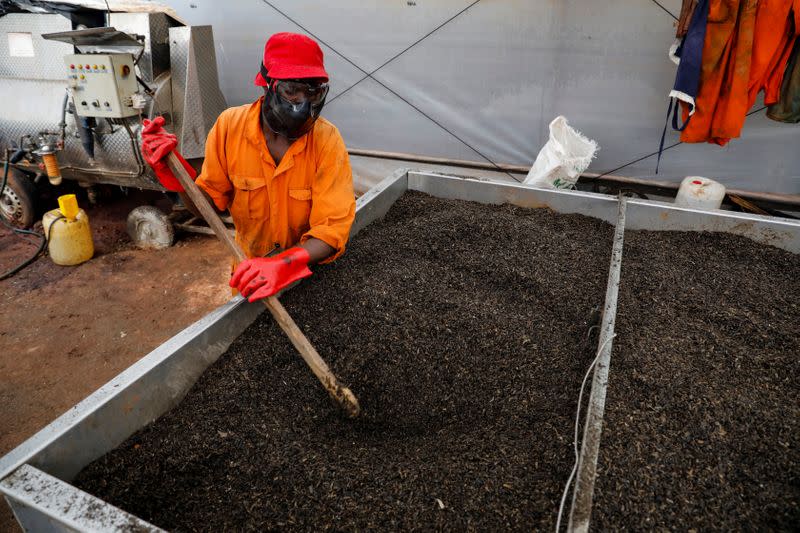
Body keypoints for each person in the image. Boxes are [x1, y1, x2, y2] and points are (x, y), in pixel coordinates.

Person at [141, 32, 356, 302]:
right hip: (251, 274)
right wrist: (177, 176)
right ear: (266, 85)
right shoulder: (230, 127)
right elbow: (207, 208)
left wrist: (284, 264)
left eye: (312, 92)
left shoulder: (326, 141)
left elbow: (331, 230)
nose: (302, 105)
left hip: (307, 275)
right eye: (291, 91)